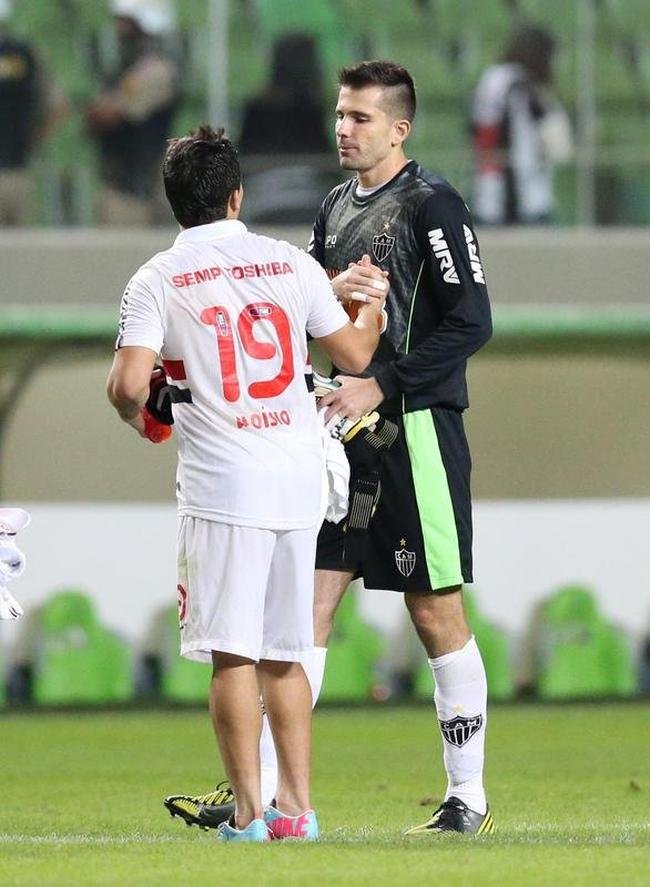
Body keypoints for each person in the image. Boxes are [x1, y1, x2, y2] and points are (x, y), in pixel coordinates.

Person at [166, 60, 495, 837]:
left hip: (414, 432)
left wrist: (385, 383)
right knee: (302, 611)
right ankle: (269, 792)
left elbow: (472, 320)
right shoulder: (333, 207)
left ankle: (467, 794)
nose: (343, 128)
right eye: (341, 114)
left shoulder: (434, 204)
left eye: (360, 118)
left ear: (399, 128)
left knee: (434, 607)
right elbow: (315, 318)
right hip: (340, 441)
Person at [106, 125, 385, 842]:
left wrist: (145, 418)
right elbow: (353, 352)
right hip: (297, 481)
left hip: (224, 486)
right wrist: (375, 308)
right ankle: (300, 808)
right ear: (237, 194)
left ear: (174, 204)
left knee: (233, 653)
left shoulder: (156, 279)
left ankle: (250, 814)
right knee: (286, 652)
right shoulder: (288, 263)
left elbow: (129, 384)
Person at [85, 0, 179, 226]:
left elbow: (107, 114)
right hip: (121, 185)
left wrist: (100, 109)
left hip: (136, 194)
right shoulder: (128, 68)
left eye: (125, 22)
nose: (118, 29)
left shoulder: (156, 70)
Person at [471, 25, 573, 225]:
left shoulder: (496, 79)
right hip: (517, 197)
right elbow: (559, 146)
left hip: (501, 193)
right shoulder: (515, 83)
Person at [238, 31, 332, 225]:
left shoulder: (257, 107)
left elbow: (243, 157)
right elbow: (325, 161)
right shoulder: (312, 109)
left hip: (263, 200)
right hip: (305, 198)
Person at [0, 0, 66, 225]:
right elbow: (57, 106)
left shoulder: (25, 54)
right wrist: (34, 140)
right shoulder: (25, 53)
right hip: (19, 167)